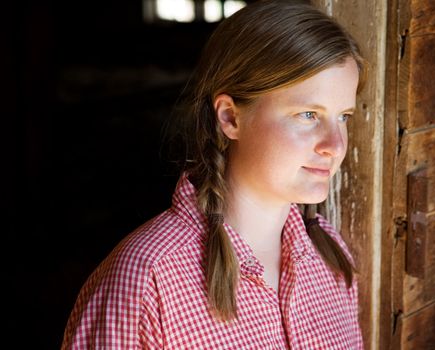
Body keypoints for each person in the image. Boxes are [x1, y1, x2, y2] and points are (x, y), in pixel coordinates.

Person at [61, 0, 365, 348]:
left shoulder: (329, 258)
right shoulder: (148, 278)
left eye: (344, 117)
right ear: (230, 118)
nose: (334, 144)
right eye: (308, 115)